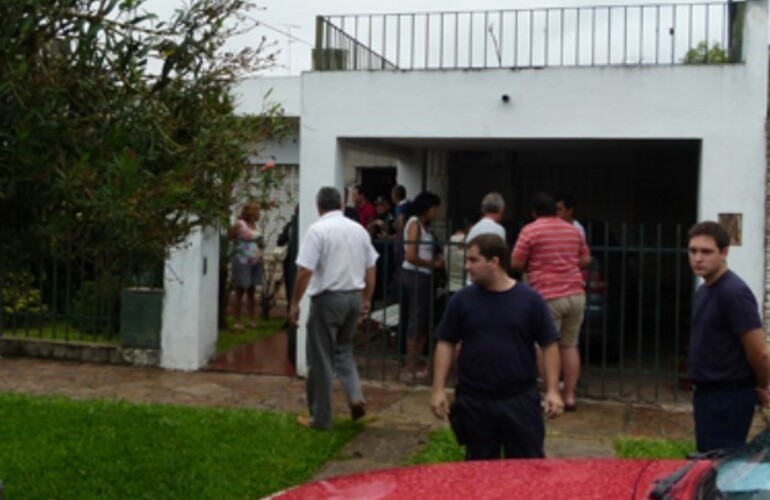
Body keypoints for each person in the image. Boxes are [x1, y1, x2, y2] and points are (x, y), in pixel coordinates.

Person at [431, 234, 564, 460]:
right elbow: (446, 343)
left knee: (526, 470)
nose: (466, 266)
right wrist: (438, 389)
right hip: (475, 401)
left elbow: (549, 344)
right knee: (479, 471)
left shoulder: (530, 300)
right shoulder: (461, 301)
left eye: (474, 260)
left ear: (494, 261)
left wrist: (552, 390)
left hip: (519, 399)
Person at [289, 187, 378, 430]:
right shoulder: (358, 229)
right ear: (341, 204)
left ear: (318, 206)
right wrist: (367, 298)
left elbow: (305, 270)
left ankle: (321, 418)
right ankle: (355, 396)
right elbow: (371, 266)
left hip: (328, 299)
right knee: (344, 350)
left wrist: (295, 303)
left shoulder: (318, 231)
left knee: (321, 359)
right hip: (353, 296)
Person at [686, 221, 770, 452]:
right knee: (707, 464)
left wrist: (762, 385)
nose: (698, 258)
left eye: (706, 251)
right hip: (707, 396)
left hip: (728, 399)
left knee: (721, 468)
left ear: (724, 253)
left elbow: (759, 352)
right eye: (693, 251)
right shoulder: (705, 290)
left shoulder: (734, 293)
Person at [511, 192, 591, 411]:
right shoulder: (572, 230)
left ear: (534, 212)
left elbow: (516, 262)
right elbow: (586, 258)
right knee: (570, 344)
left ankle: (551, 393)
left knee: (546, 346)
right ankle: (570, 396)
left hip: (548, 295)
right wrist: (566, 261)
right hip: (575, 293)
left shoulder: (530, 230)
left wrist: (538, 264)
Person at [400, 191, 444, 380]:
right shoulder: (415, 224)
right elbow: (411, 255)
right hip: (416, 274)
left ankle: (416, 359)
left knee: (423, 317)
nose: (436, 213)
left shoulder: (423, 226)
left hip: (423, 275)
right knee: (417, 318)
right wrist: (433, 264)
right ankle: (411, 362)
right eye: (434, 209)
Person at [228, 201, 264, 331]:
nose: (259, 214)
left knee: (251, 291)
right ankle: (237, 320)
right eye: (257, 212)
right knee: (240, 291)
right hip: (242, 260)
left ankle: (251, 319)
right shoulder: (240, 225)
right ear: (251, 213)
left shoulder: (256, 226)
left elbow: (260, 241)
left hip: (255, 261)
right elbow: (230, 237)